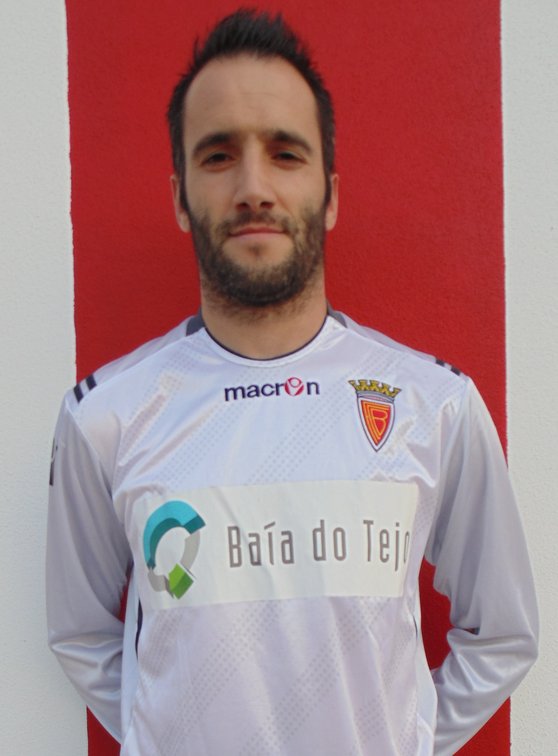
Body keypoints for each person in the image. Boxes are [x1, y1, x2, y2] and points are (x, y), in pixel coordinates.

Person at [46, 9, 538, 755]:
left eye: (284, 153)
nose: (253, 187)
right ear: (180, 197)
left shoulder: (431, 405)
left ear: (329, 193)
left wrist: (403, 738)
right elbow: (81, 634)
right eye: (218, 155)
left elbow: (503, 633)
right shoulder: (105, 417)